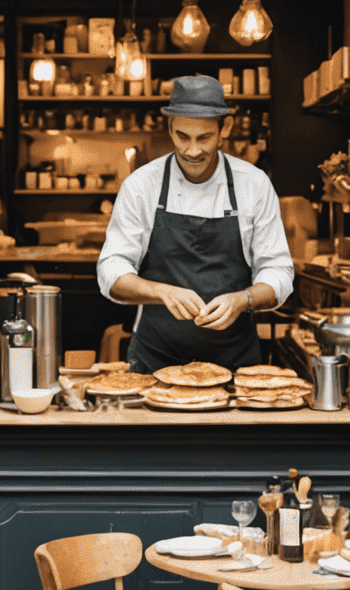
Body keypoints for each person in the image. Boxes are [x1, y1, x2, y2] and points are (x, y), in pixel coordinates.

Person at [96, 75, 293, 374]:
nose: (192, 150)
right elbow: (111, 272)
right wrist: (161, 292)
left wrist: (244, 299)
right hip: (155, 362)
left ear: (224, 128)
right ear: (170, 128)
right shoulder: (141, 185)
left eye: (204, 138)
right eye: (182, 137)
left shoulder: (253, 184)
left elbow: (279, 272)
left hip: (235, 364)